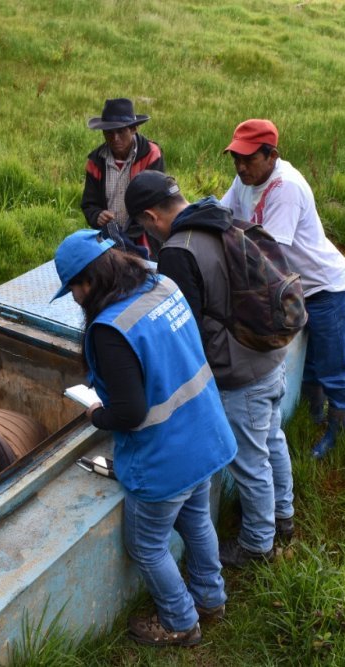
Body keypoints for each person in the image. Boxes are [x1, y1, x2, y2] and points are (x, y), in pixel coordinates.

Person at [51, 230, 237, 647]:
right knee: (196, 519)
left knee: (147, 545)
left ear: (90, 280)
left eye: (76, 289)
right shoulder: (161, 283)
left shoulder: (109, 329)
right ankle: (210, 597)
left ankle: (180, 621)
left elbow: (131, 412)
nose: (77, 299)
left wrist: (97, 414)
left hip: (164, 457)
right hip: (203, 434)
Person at [125, 170, 295, 567]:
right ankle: (282, 515)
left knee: (249, 461)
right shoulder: (220, 214)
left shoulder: (178, 251)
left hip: (239, 373)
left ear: (151, 217)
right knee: (272, 439)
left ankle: (258, 544)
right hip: (269, 351)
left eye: (143, 228)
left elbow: (182, 327)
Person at [218, 119, 345, 459]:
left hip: (323, 287)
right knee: (307, 359)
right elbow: (222, 214)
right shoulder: (244, 179)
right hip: (290, 287)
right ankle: (311, 414)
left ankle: (338, 431)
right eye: (236, 158)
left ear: (272, 155)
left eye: (249, 158)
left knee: (333, 364)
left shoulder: (285, 187)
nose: (240, 166)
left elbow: (268, 253)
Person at [81, 98, 165, 258]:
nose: (115, 138)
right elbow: (88, 204)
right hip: (108, 237)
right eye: (109, 132)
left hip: (145, 234)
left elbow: (157, 200)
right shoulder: (96, 161)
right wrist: (97, 215)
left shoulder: (151, 154)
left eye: (121, 131)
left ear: (134, 129)